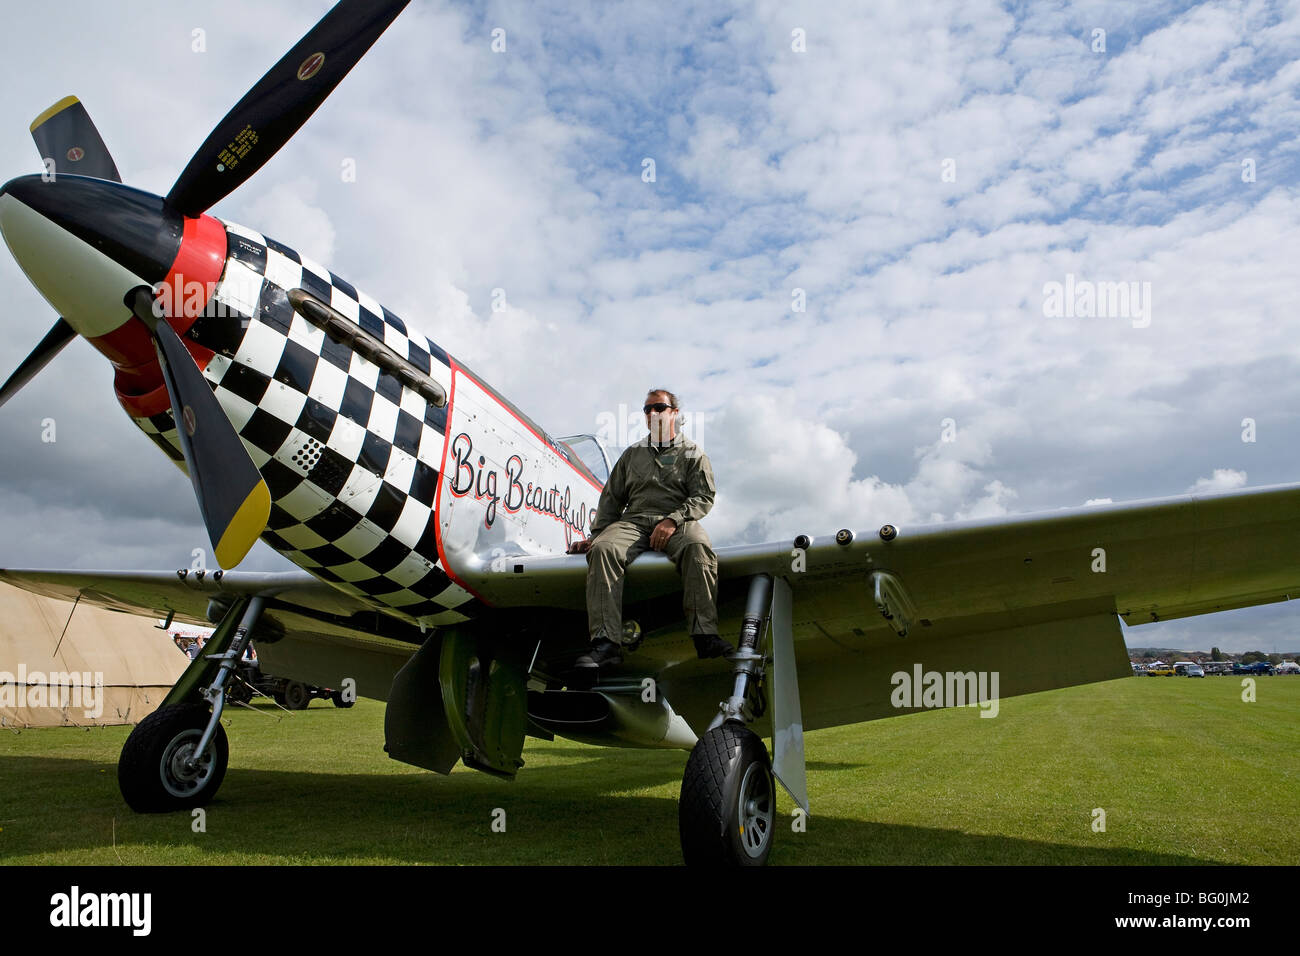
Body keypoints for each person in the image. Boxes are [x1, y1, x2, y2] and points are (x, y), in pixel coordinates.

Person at [567, 388, 732, 673]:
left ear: (674, 413)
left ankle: (705, 635)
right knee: (604, 550)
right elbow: (612, 499)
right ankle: (606, 644)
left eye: (659, 407)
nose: (653, 413)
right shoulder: (632, 455)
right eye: (647, 409)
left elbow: (703, 497)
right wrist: (597, 536)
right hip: (634, 521)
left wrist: (673, 520)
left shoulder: (693, 453)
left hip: (679, 520)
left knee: (698, 547)